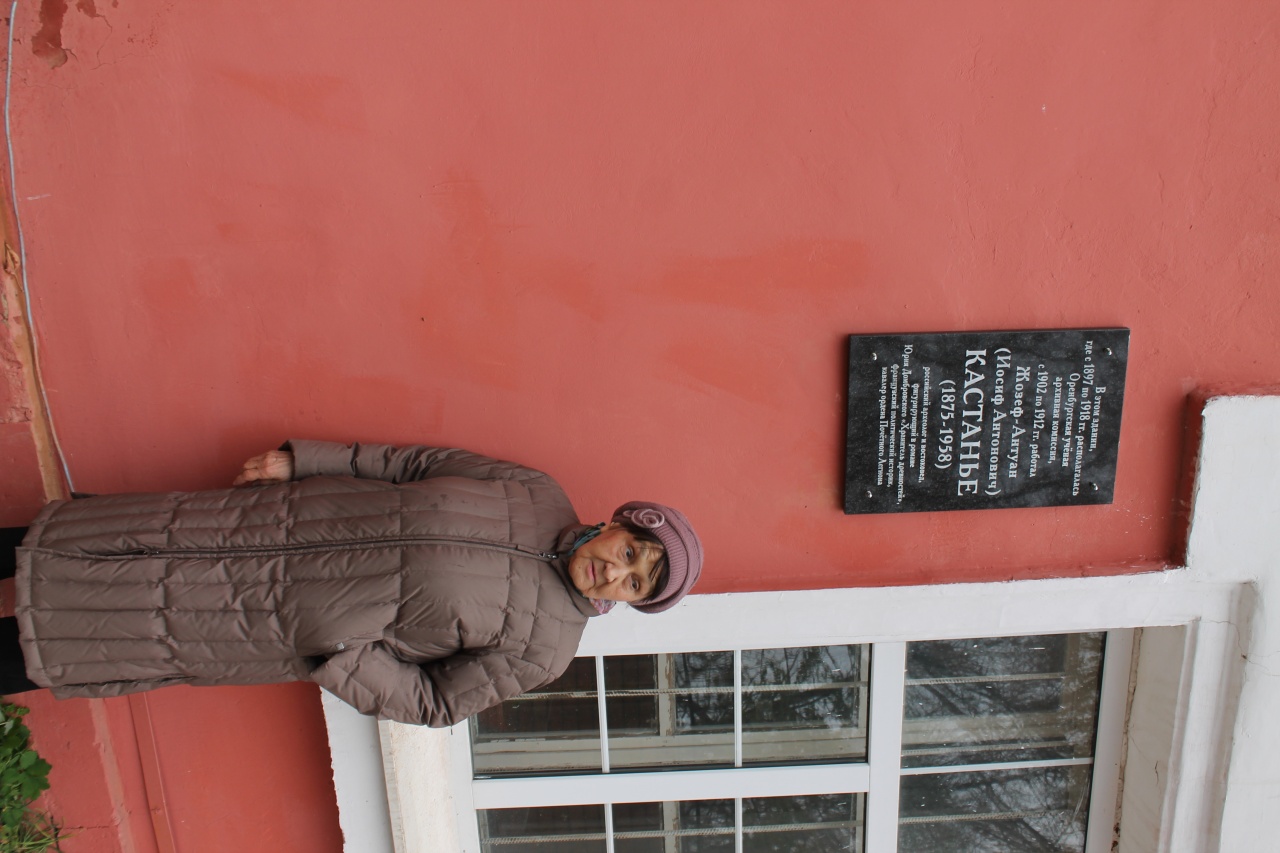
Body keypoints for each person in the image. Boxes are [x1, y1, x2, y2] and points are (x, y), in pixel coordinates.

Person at [0, 440, 703, 726]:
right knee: (61, 541)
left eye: (635, 583)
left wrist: (339, 650)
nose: (616, 570)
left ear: (629, 601)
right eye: (630, 550)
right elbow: (411, 464)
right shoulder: (534, 491)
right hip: (252, 524)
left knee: (78, 633)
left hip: (251, 618)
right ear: (619, 524)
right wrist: (303, 461)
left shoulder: (545, 650)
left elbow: (435, 702)